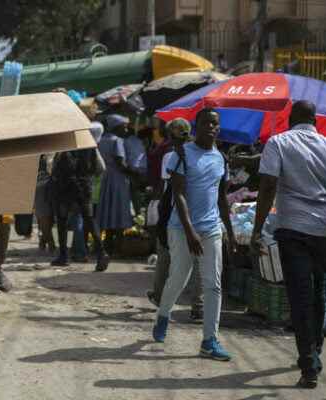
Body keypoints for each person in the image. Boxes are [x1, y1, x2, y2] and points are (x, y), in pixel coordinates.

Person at [251, 100, 326, 389]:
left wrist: (257, 229)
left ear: (290, 119)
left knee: (300, 296)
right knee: (317, 291)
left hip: (293, 229)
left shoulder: (278, 142)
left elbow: (268, 187)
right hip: (325, 230)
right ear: (315, 120)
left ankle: (309, 363)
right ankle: (315, 348)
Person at [151, 108, 234, 362]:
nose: (211, 127)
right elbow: (179, 194)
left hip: (211, 228)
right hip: (181, 228)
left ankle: (209, 341)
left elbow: (221, 198)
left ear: (219, 128)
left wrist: (228, 230)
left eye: (215, 124)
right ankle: (164, 314)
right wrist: (190, 232)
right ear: (196, 126)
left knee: (213, 283)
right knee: (179, 277)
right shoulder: (182, 154)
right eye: (206, 123)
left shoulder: (221, 158)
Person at [146, 118, 203, 321]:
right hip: (200, 212)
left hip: (175, 213)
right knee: (198, 261)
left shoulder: (170, 156)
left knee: (166, 255)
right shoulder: (203, 155)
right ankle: (198, 306)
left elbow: (167, 188)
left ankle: (161, 298)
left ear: (169, 136)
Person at [50, 147, 108, 271]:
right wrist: (85, 175)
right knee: (90, 220)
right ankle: (102, 254)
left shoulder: (64, 143)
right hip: (84, 186)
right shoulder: (89, 143)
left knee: (62, 221)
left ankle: (63, 255)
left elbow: (52, 167)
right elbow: (100, 168)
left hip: (65, 187)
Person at [95, 115, 133, 259]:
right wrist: (134, 173)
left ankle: (107, 246)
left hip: (105, 178)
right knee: (118, 212)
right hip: (117, 179)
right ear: (116, 127)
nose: (126, 129)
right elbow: (120, 162)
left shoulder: (101, 140)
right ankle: (119, 248)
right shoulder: (117, 141)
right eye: (123, 126)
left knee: (107, 212)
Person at [33, 154, 56, 253]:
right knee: (44, 216)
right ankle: (50, 243)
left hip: (50, 183)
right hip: (41, 183)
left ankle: (44, 240)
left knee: (47, 216)